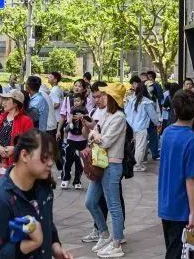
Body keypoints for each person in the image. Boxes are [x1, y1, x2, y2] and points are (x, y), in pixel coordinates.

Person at [0, 129, 72, 259]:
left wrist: (55, 247)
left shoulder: (44, 188)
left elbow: (47, 224)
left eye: (52, 157)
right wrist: (33, 243)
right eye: (45, 157)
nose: (50, 163)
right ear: (24, 155)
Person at [157, 88, 194, 259]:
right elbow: (191, 178)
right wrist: (192, 213)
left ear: (175, 110)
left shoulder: (167, 133)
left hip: (166, 203)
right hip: (182, 207)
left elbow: (179, 167)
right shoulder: (193, 140)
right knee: (180, 253)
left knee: (174, 247)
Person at [83, 82, 128, 257]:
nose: (102, 98)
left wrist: (95, 134)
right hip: (101, 164)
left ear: (112, 98)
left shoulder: (119, 117)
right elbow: (94, 136)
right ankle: (104, 234)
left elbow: (105, 141)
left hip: (112, 165)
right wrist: (95, 133)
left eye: (106, 95)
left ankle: (116, 243)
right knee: (90, 202)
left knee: (113, 206)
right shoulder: (108, 115)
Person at [0, 88, 35, 175]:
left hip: (16, 163)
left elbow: (31, 143)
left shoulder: (26, 121)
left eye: (7, 99)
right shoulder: (1, 117)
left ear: (15, 103)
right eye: (4, 99)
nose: (3, 102)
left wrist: (15, 148)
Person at [124, 77, 157, 172]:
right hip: (141, 127)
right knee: (140, 147)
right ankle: (137, 165)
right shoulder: (146, 102)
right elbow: (153, 116)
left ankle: (136, 163)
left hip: (130, 127)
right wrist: (158, 123)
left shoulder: (130, 99)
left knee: (134, 146)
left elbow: (126, 113)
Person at [60, 91, 88, 189]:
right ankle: (65, 178)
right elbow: (69, 119)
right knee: (68, 159)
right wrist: (70, 123)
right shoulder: (72, 109)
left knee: (79, 161)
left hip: (82, 138)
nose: (76, 103)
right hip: (71, 138)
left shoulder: (84, 109)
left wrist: (82, 117)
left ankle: (77, 181)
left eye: (78, 101)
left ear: (82, 101)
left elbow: (88, 119)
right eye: (75, 101)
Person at [46, 72, 64, 140]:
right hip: (59, 118)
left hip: (56, 118)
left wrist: (47, 108)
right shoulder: (58, 89)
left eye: (51, 77)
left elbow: (57, 104)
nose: (48, 78)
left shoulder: (54, 90)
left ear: (55, 80)